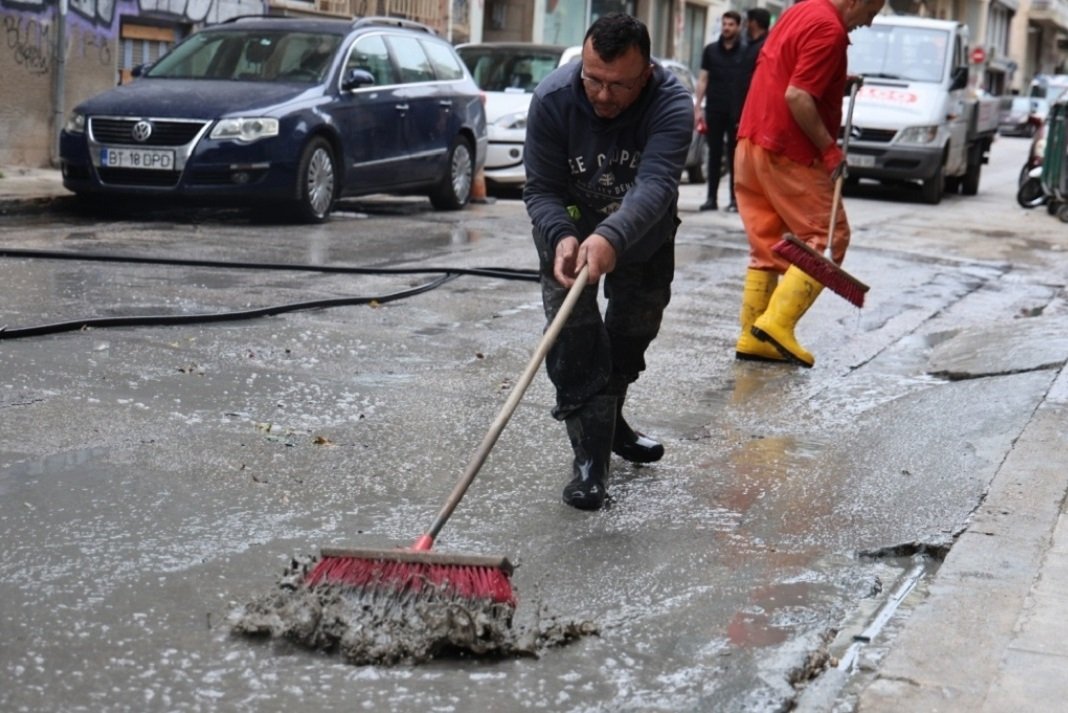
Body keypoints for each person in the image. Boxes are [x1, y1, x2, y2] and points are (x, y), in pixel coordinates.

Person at [523, 14, 694, 511]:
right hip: (568, 234)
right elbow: (541, 189)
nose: (602, 95)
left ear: (646, 74)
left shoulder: (672, 103)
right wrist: (562, 235)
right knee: (573, 340)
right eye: (593, 79)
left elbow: (656, 184)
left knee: (631, 333)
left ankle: (611, 421)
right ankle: (590, 463)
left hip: (641, 235)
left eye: (618, 86)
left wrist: (611, 236)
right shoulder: (554, 99)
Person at [732, 0, 884, 367]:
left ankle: (753, 333)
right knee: (828, 237)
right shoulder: (829, 29)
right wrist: (829, 151)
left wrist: (836, 82)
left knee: (767, 245)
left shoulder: (802, 10)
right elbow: (797, 96)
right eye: (872, 12)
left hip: (752, 142)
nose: (868, 22)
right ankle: (776, 324)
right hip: (788, 149)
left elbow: (790, 71)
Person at [694, 11, 745, 213]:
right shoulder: (711, 50)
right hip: (714, 109)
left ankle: (734, 199)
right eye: (724, 24)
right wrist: (698, 106)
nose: (726, 28)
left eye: (731, 24)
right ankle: (711, 198)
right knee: (714, 155)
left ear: (738, 26)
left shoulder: (745, 51)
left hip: (736, 112)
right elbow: (703, 78)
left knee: (735, 157)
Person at [736, 7, 771, 115]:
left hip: (752, 108)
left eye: (748, 21)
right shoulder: (750, 45)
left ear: (754, 23)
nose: (746, 25)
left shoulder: (765, 46)